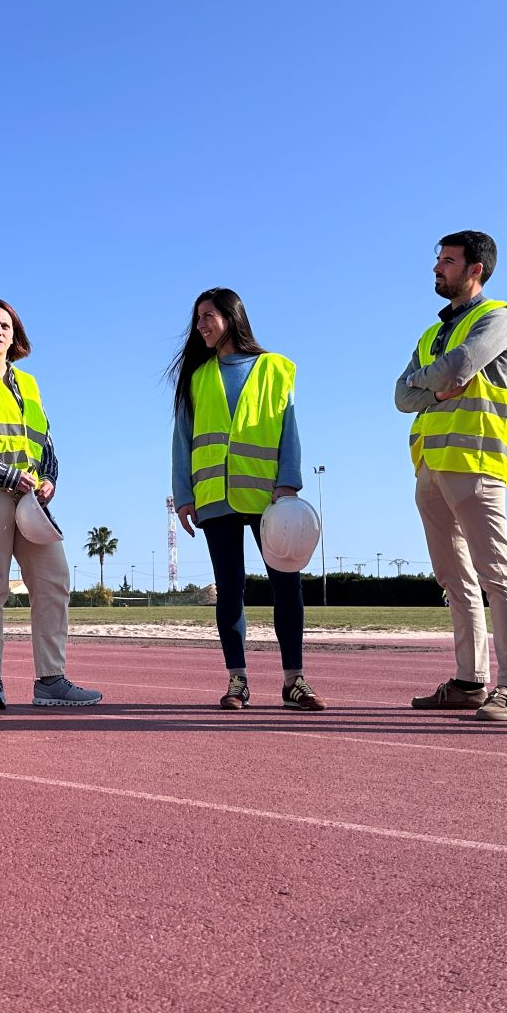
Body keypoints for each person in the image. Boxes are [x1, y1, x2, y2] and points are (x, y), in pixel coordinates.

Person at [395, 231, 507, 722]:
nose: (438, 268)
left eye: (448, 261)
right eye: (438, 259)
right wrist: (432, 387)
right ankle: (470, 680)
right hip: (431, 467)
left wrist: (427, 382)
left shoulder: (497, 318)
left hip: (476, 462)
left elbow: (459, 369)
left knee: (496, 573)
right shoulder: (429, 335)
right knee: (454, 579)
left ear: (475, 269)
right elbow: (401, 396)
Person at [170, 288, 325, 712]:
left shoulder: (275, 368)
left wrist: (288, 481)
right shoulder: (197, 377)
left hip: (268, 495)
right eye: (197, 318)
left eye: (208, 316)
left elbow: (288, 426)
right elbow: (182, 438)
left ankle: (295, 680)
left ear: (232, 317)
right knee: (230, 589)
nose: (200, 325)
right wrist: (184, 494)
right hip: (214, 494)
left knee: (286, 586)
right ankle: (237, 680)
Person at [0, 299, 102, 709]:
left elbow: (46, 441)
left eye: (6, 326)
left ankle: (50, 680)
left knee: (53, 579)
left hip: (29, 497)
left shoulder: (29, 384)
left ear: (15, 337)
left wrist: (49, 478)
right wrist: (8, 476)